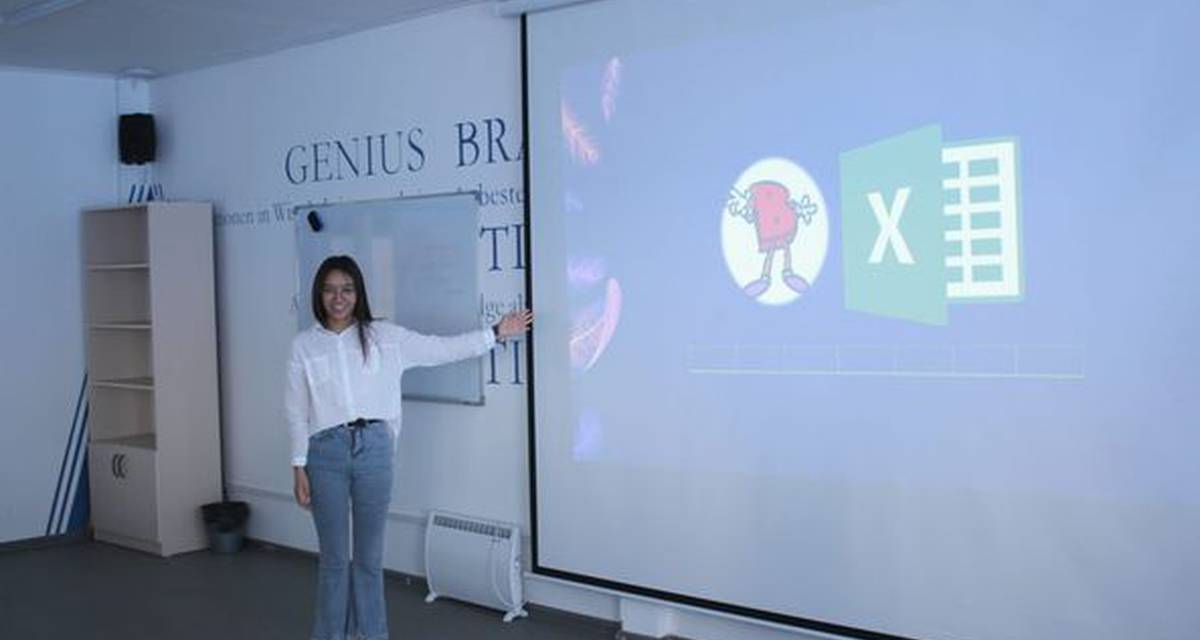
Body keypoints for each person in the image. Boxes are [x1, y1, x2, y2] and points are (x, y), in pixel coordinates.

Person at [284, 255, 532, 640]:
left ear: (358, 293)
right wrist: (298, 465)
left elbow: (441, 349)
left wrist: (495, 332)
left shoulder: (385, 337)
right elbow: (296, 410)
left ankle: (371, 635)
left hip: (374, 451)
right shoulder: (304, 346)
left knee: (369, 560)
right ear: (319, 294)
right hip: (324, 455)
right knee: (334, 561)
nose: (338, 298)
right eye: (330, 290)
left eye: (347, 289)